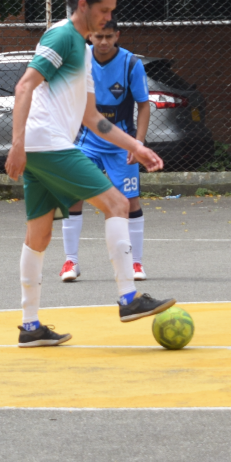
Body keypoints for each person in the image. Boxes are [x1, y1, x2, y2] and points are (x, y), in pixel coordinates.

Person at [5, 0, 175, 348]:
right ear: (83, 5)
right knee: (117, 203)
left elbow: (93, 118)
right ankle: (129, 297)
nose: (108, 17)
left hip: (43, 146)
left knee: (39, 235)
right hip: (45, 144)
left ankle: (30, 326)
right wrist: (17, 144)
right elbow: (24, 86)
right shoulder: (62, 37)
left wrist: (138, 146)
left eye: (112, 11)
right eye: (104, 10)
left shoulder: (81, 52)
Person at [59, 18, 151, 283]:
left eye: (109, 37)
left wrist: (139, 143)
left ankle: (135, 263)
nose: (103, 42)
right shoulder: (79, 59)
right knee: (73, 194)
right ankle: (70, 262)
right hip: (87, 139)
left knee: (130, 201)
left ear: (117, 36)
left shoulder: (131, 64)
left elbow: (143, 105)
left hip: (121, 142)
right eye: (98, 37)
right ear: (90, 37)